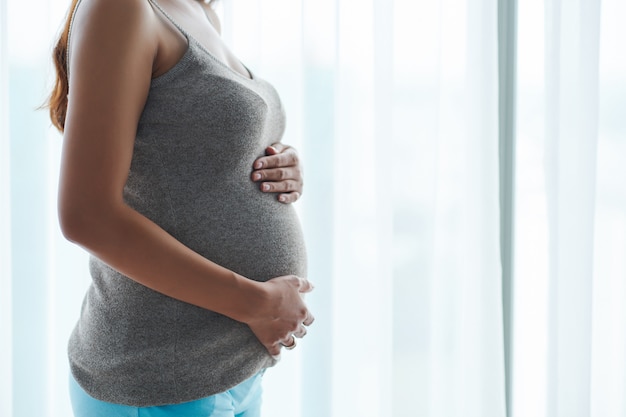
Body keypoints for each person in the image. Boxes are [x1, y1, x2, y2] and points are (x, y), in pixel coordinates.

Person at [46, 0, 314, 415]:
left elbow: (196, 150)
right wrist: (258, 305)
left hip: (230, 370)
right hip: (161, 378)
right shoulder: (121, 8)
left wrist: (279, 160)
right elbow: (87, 217)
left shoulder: (199, 10)